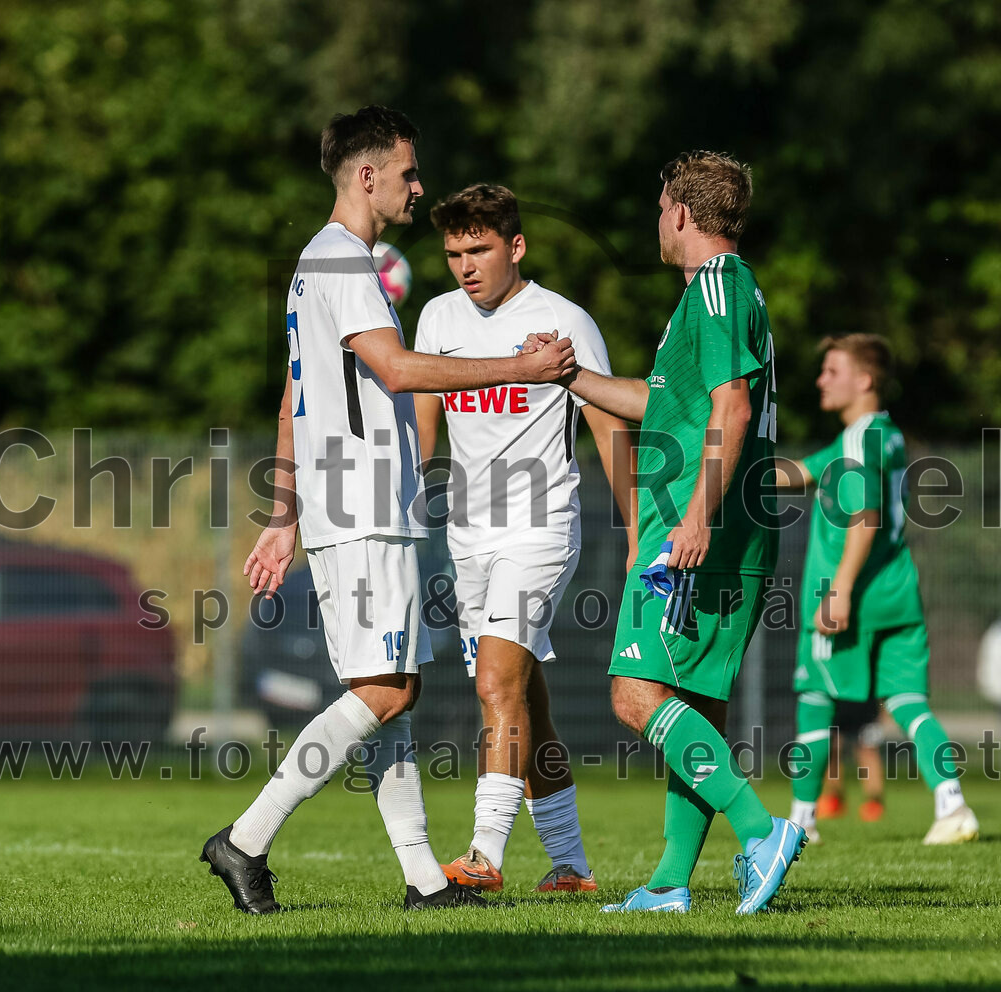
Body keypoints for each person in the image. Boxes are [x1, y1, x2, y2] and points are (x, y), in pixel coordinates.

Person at [199, 106, 575, 913]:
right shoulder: (340, 262)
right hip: (365, 506)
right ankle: (246, 839)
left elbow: (295, 396)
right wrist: (521, 365)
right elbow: (399, 372)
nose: (419, 185)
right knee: (387, 694)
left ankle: (423, 880)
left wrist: (284, 510)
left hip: (351, 503)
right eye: (409, 171)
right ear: (367, 176)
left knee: (390, 687)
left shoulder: (319, 265)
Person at [525, 150, 803, 915]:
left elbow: (732, 408)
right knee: (693, 704)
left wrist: (694, 516)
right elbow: (661, 404)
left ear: (680, 212)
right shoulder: (724, 294)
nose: (657, 223)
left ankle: (761, 830)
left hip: (699, 525)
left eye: (658, 209)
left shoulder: (715, 287)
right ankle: (670, 883)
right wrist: (568, 376)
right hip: (726, 524)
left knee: (636, 694)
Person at [412, 184, 636, 893]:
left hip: (540, 531)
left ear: (516, 247)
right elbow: (424, 425)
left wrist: (636, 533)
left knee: (493, 682)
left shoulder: (563, 321)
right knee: (526, 701)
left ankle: (483, 856)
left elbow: (607, 426)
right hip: (469, 537)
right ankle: (571, 867)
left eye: (479, 249)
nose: (465, 266)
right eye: (453, 253)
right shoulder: (437, 316)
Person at [774, 334, 979, 845]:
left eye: (831, 370)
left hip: (854, 591)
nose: (821, 379)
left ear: (863, 380)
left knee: (816, 696)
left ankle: (802, 820)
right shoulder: (885, 435)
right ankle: (952, 805)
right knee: (908, 700)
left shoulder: (857, 442)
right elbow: (801, 472)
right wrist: (733, 461)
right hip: (897, 589)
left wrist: (839, 587)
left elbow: (863, 516)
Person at [816, 697, 887, 824]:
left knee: (868, 749)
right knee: (831, 747)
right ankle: (834, 800)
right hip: (835, 697)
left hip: (864, 698)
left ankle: (874, 803)